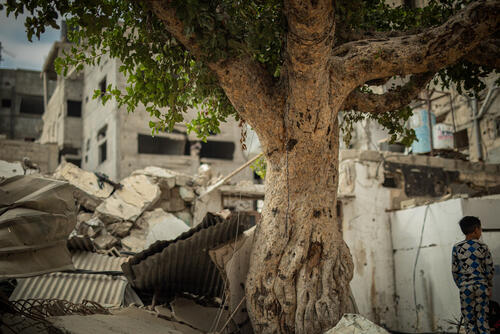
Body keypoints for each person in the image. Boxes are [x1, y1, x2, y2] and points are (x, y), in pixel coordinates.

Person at [452, 216, 495, 333]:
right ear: (476, 229)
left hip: (465, 288)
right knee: (482, 320)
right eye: (480, 229)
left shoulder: (457, 248)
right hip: (481, 286)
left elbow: (455, 271)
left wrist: (462, 286)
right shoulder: (483, 247)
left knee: (469, 322)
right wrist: (489, 285)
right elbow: (489, 269)